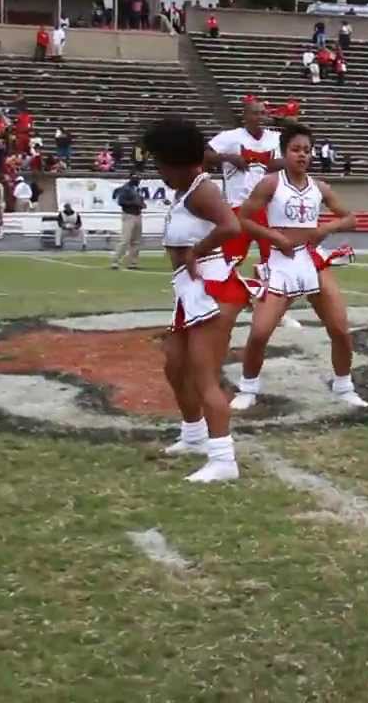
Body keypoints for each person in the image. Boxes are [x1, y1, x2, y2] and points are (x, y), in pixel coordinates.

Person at [228, 122, 366, 412]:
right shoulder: (271, 183)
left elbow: (351, 218)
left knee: (340, 330)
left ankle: (344, 386)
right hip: (281, 263)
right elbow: (244, 219)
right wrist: (274, 237)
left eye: (306, 150)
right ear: (284, 152)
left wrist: (324, 229)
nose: (302, 155)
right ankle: (248, 388)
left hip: (312, 260)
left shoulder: (321, 188)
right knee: (260, 332)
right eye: (295, 150)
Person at [147, 116, 250, 482]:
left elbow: (231, 227)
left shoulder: (202, 191)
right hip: (191, 290)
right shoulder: (187, 190)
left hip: (212, 288)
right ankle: (193, 436)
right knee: (175, 364)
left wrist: (197, 251)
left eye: (160, 163)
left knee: (204, 374)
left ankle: (223, 459)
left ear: (176, 161)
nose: (158, 172)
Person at [205, 98, 283, 269]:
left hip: (268, 207)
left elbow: (297, 158)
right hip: (238, 206)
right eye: (255, 113)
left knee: (273, 261)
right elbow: (206, 155)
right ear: (245, 115)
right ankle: (223, 293)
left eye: (263, 113)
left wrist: (277, 163)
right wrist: (227, 157)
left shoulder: (276, 138)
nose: (260, 117)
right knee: (229, 262)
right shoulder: (230, 137)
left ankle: (270, 293)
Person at [112, 174, 146, 270]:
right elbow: (121, 202)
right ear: (131, 179)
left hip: (138, 214)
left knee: (136, 241)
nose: (137, 180)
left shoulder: (138, 189)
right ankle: (116, 261)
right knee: (125, 240)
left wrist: (142, 204)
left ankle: (133, 262)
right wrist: (134, 203)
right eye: (135, 178)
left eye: (138, 178)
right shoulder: (125, 189)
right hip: (129, 214)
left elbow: (140, 200)